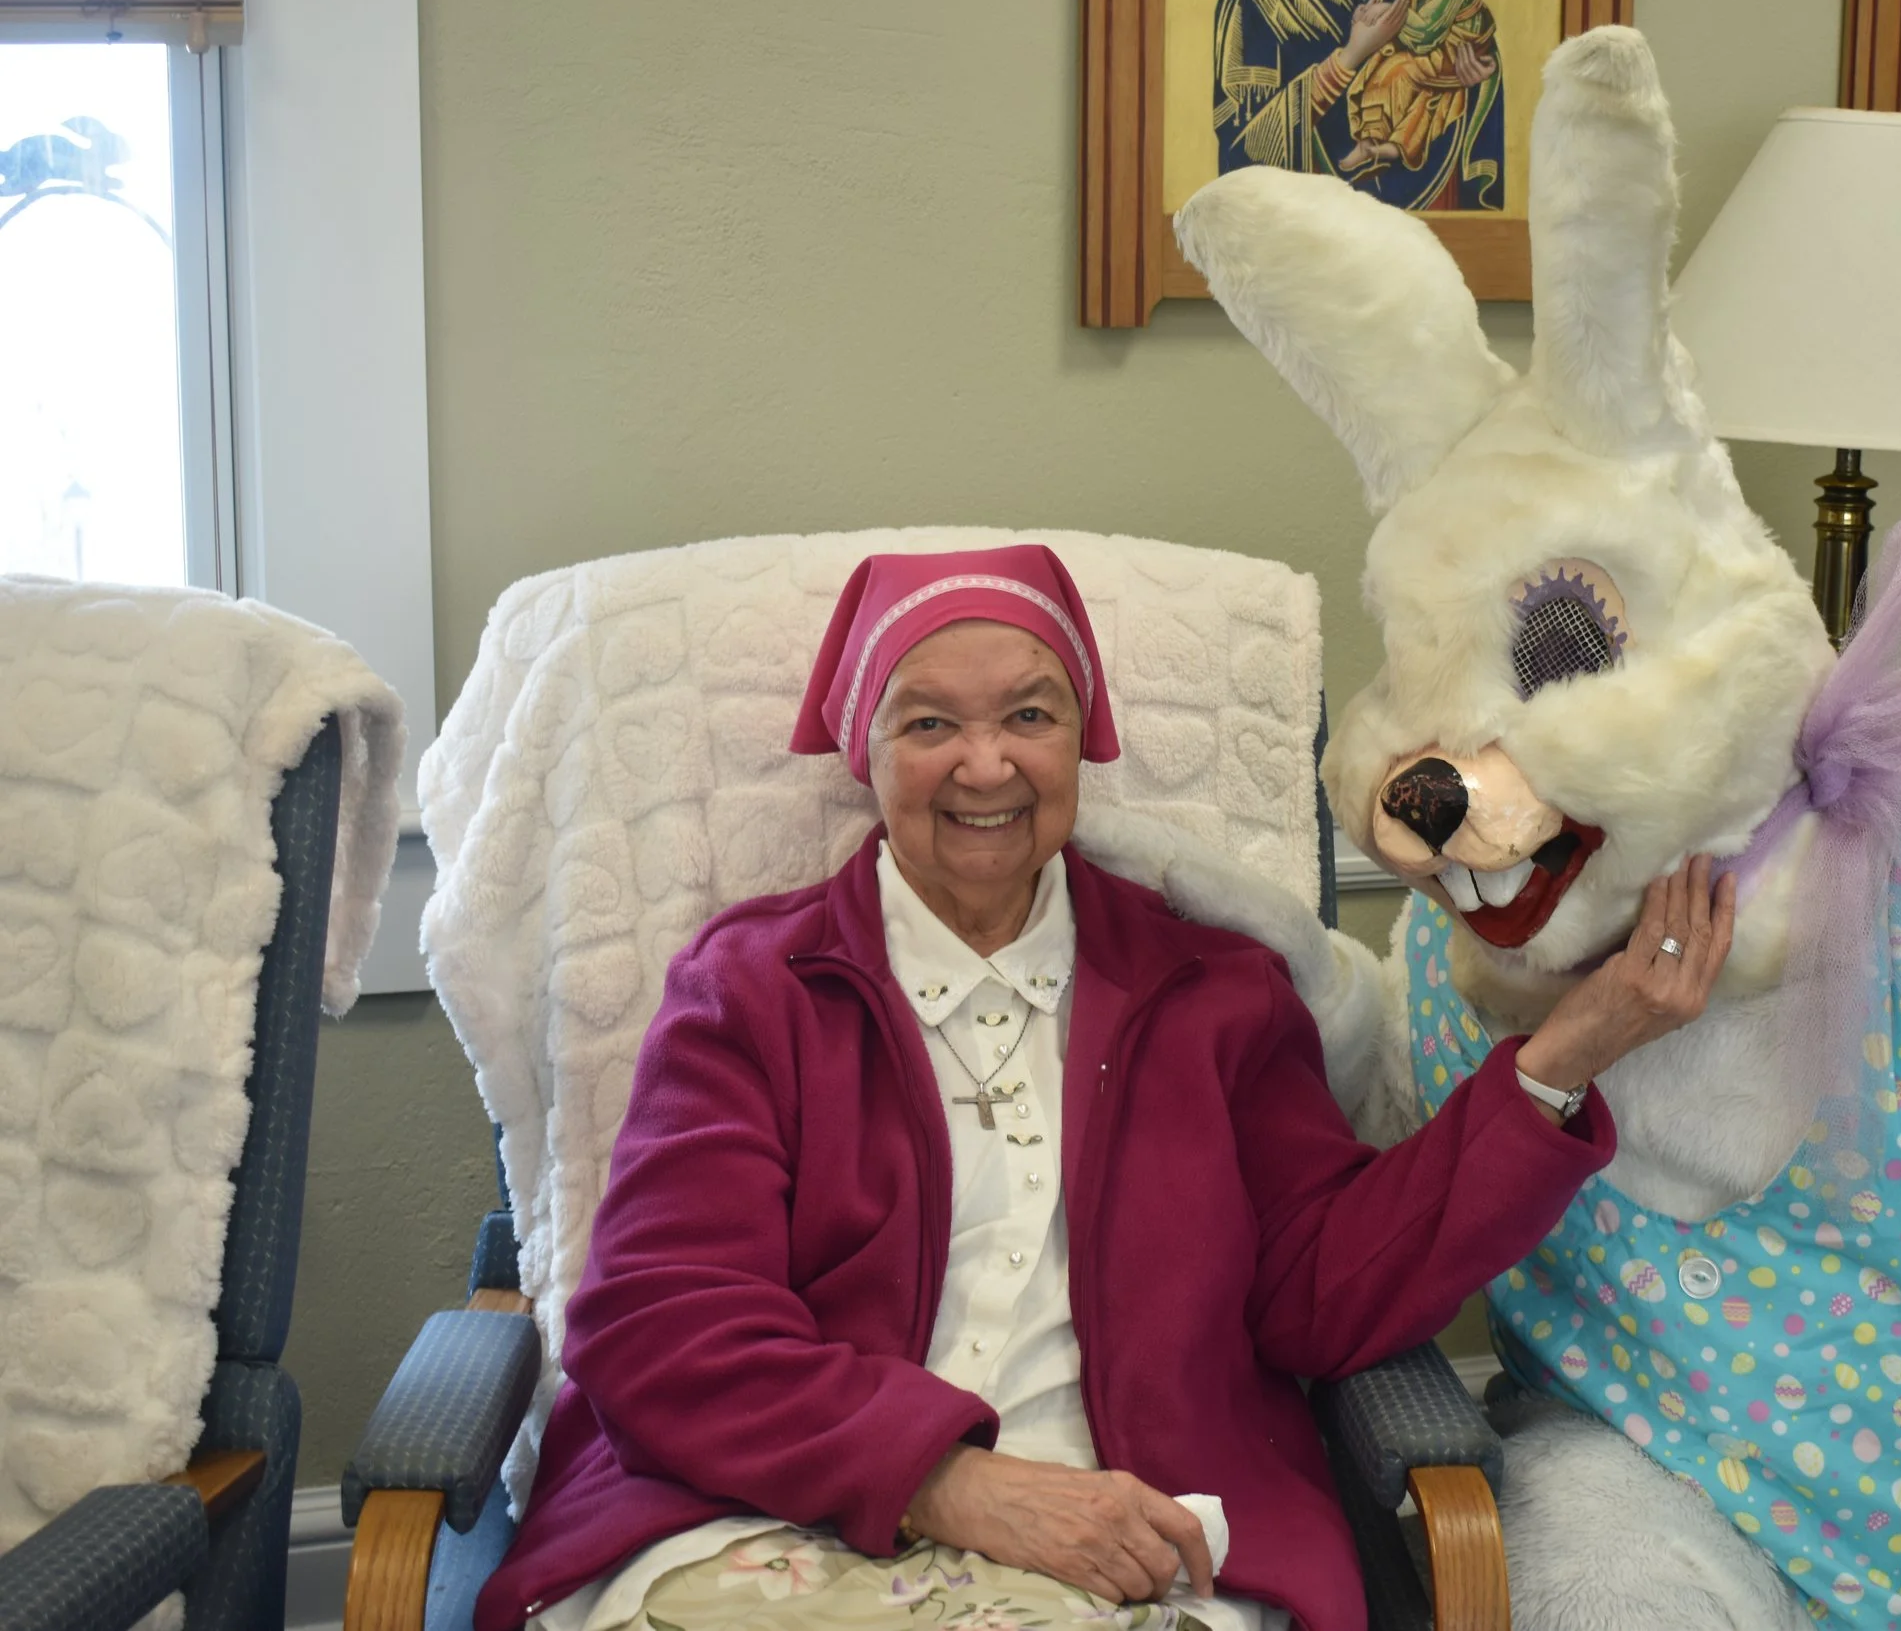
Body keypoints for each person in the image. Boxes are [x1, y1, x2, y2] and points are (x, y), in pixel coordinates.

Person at [474, 544, 1740, 1631]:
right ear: (866, 752)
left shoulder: (1215, 991)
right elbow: (657, 1323)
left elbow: (1316, 1290)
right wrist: (952, 1482)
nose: (985, 765)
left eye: (1029, 715)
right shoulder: (752, 988)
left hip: (1130, 1531)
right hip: (766, 1520)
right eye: (929, 723)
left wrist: (1564, 1058)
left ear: (1081, 741)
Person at [1212, 0, 1503, 210]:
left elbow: (1468, 37)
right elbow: (1243, 154)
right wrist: (1349, 58)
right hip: (1306, 223)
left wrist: (1469, 75)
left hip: (1423, 225)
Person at [1337, 0, 1499, 180]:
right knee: (1379, 63)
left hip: (1457, 52)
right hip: (1430, 47)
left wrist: (1385, 10)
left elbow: (1426, 34)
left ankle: (1394, 148)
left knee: (1400, 72)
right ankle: (1369, 140)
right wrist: (1365, 17)